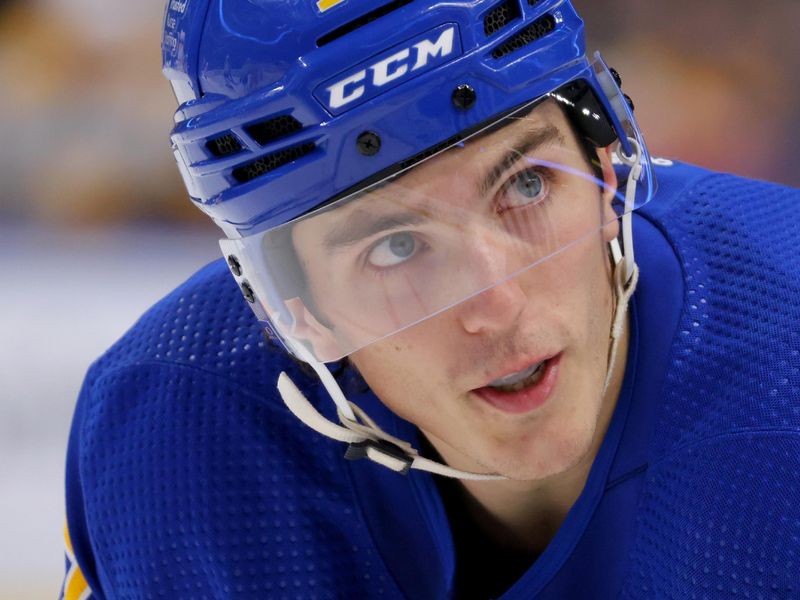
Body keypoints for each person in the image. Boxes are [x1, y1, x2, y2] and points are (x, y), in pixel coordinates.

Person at [61, 0, 800, 598]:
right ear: (293, 310)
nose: (497, 304)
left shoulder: (783, 355)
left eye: (527, 185)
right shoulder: (171, 441)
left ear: (608, 165)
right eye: (396, 247)